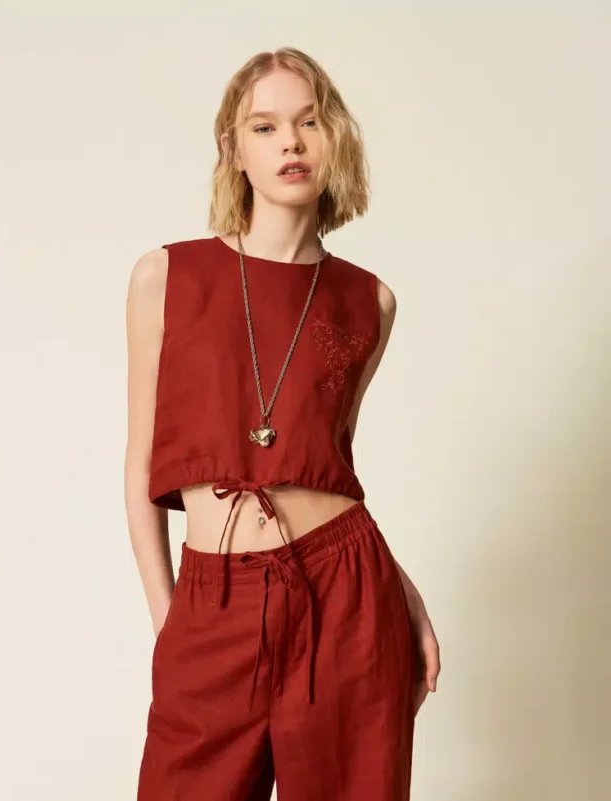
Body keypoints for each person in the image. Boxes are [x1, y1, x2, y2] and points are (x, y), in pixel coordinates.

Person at [125, 46, 440, 801]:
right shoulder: (166, 276)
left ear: (335, 138)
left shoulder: (370, 302)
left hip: (348, 596)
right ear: (233, 150)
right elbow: (139, 468)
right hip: (213, 600)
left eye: (309, 122)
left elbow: (328, 467)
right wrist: (172, 622)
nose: (290, 142)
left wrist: (403, 595)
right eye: (264, 127)